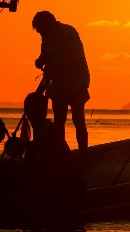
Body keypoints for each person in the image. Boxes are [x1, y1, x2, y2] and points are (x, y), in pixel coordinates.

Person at [32, 10, 90, 163]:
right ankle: (61, 155)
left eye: (41, 29)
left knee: (78, 120)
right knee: (59, 122)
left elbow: (71, 57)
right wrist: (40, 60)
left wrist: (52, 65)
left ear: (49, 24)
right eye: (39, 31)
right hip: (58, 85)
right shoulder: (46, 37)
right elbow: (45, 55)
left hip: (76, 82)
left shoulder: (68, 33)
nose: (41, 33)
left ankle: (83, 155)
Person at [22, 92, 71, 195]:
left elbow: (41, 161)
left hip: (60, 182)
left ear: (43, 111)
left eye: (36, 109)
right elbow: (38, 145)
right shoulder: (41, 127)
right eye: (29, 109)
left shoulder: (45, 128)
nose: (32, 113)